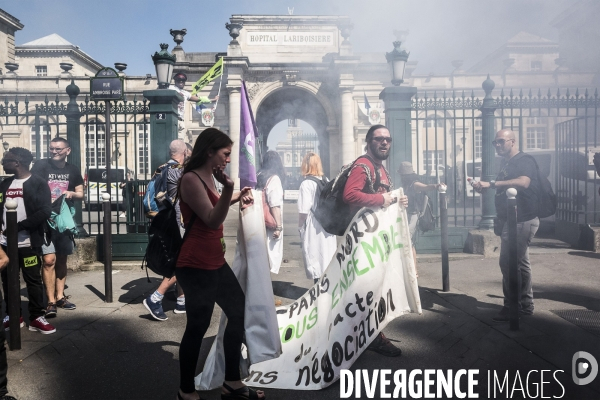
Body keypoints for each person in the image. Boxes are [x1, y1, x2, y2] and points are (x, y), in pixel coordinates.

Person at [174, 128, 262, 400]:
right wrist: (230, 189)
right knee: (198, 326)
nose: (227, 159)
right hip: (195, 264)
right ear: (210, 151)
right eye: (225, 154)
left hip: (214, 261)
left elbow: (214, 206)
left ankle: (232, 381)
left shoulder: (211, 177)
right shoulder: (190, 178)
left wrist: (234, 195)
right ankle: (186, 390)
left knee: (238, 312)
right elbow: (212, 218)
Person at [342, 124, 408, 357]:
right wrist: (383, 198)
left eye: (388, 139)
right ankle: (372, 337)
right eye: (379, 139)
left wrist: (396, 201)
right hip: (363, 241)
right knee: (369, 291)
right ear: (368, 142)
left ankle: (363, 333)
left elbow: (383, 199)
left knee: (372, 289)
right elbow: (350, 195)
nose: (384, 143)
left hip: (374, 240)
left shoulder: (381, 168)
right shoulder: (364, 166)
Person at [472, 129, 540, 322]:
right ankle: (526, 305)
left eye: (501, 141)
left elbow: (524, 182)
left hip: (522, 219)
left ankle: (512, 308)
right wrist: (484, 186)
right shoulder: (507, 162)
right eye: (496, 142)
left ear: (512, 141)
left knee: (509, 263)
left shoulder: (524, 160)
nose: (498, 145)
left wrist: (492, 184)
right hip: (511, 219)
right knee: (521, 264)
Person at [0, 147, 55, 334]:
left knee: (33, 280)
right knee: (8, 280)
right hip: (5, 245)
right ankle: (13, 315)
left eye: (5, 161)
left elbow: (45, 211)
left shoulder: (38, 183)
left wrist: (18, 227)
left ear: (17, 163)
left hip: (28, 243)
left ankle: (36, 316)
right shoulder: (5, 184)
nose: (2, 164)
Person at [31, 137, 84, 317]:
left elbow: (81, 194)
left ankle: (60, 297)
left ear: (67, 151)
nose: (54, 152)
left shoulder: (73, 170)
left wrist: (70, 193)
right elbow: (31, 187)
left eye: (58, 149)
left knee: (61, 259)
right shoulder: (40, 166)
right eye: (52, 148)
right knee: (48, 260)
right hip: (45, 219)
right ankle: (50, 302)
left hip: (63, 220)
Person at [143, 139, 189, 321]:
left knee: (179, 259)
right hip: (178, 222)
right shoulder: (179, 170)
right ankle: (156, 297)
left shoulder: (161, 168)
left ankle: (181, 300)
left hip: (165, 221)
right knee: (183, 261)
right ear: (184, 151)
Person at [297, 152, 336, 283]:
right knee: (327, 259)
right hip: (328, 225)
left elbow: (303, 211)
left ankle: (318, 295)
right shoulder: (326, 180)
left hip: (314, 226)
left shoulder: (307, 184)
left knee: (315, 259)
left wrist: (300, 227)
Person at [397, 161, 444, 269]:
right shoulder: (407, 185)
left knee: (407, 241)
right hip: (407, 214)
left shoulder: (414, 184)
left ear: (405, 175)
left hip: (413, 215)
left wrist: (436, 186)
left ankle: (413, 269)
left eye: (402, 175)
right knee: (410, 243)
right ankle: (412, 269)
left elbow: (426, 187)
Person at [256, 151, 285, 273]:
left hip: (258, 219)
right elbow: (274, 204)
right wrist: (278, 226)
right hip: (270, 222)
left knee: (261, 255)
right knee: (270, 253)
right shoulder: (274, 178)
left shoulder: (258, 175)